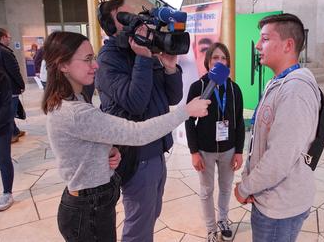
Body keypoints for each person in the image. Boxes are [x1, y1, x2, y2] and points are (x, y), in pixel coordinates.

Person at [42, 31, 210, 241]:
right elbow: (136, 132)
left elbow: (86, 138)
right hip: (88, 209)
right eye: (87, 59)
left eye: (93, 58)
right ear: (62, 65)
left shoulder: (75, 99)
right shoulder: (75, 111)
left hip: (96, 201)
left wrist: (107, 149)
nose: (95, 65)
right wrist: (186, 111)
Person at [94, 0, 185, 242]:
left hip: (157, 149)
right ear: (111, 27)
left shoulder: (143, 48)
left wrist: (169, 68)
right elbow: (135, 103)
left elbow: (174, 96)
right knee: (138, 224)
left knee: (150, 214)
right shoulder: (108, 59)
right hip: (136, 155)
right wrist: (143, 58)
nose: (135, 22)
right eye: (125, 17)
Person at [234, 13, 320, 242]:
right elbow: (259, 141)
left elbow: (279, 158)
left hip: (280, 207)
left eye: (265, 39)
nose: (258, 45)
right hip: (269, 198)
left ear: (288, 45)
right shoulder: (277, 82)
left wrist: (245, 188)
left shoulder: (295, 90)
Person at [185, 42, 245, 242]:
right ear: (208, 62)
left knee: (226, 187)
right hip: (205, 150)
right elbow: (188, 122)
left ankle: (223, 220)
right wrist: (194, 152)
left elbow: (238, 123)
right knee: (207, 190)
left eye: (223, 58)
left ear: (228, 62)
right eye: (215, 58)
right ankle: (211, 228)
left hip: (229, 149)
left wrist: (239, 151)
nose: (219, 61)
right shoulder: (199, 87)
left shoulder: (234, 89)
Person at [0, 28, 25, 143]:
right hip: (10, 88)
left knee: (8, 111)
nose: (9, 40)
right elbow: (14, 71)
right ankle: (11, 135)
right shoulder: (5, 52)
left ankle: (15, 131)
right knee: (10, 113)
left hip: (2, 88)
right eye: (9, 37)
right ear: (3, 37)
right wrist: (21, 84)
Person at [0, 67, 14, 211]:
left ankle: (7, 192)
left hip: (1, 126)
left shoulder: (2, 77)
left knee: (3, 159)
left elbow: (6, 105)